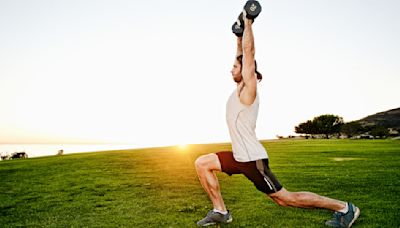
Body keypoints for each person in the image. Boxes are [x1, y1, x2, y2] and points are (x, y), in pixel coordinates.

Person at [194, 11, 360, 227]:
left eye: (236, 67)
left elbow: (248, 53)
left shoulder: (249, 91)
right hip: (239, 156)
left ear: (248, 71)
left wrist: (248, 22)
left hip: (253, 160)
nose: (231, 68)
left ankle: (345, 208)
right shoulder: (238, 89)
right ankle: (220, 211)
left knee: (285, 199)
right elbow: (241, 54)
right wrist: (238, 36)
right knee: (202, 163)